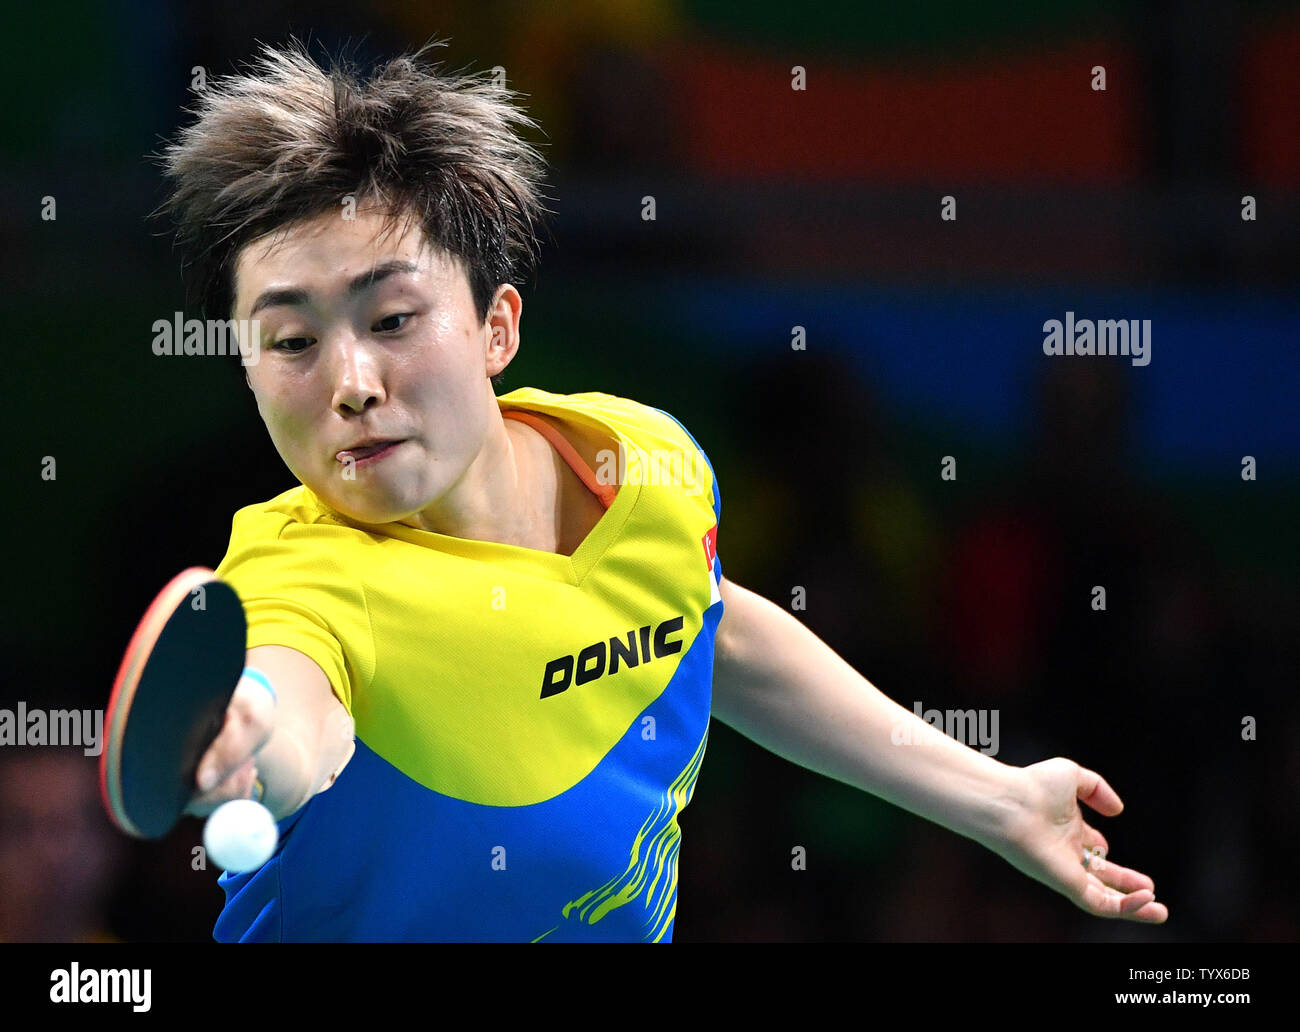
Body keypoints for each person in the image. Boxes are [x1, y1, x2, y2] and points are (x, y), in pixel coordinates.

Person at [164, 40, 1168, 941]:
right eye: (290, 340)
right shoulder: (297, 574)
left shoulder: (642, 461)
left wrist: (993, 799)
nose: (350, 385)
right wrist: (251, 742)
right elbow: (290, 706)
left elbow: (707, 627)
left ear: (497, 329)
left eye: (391, 319)